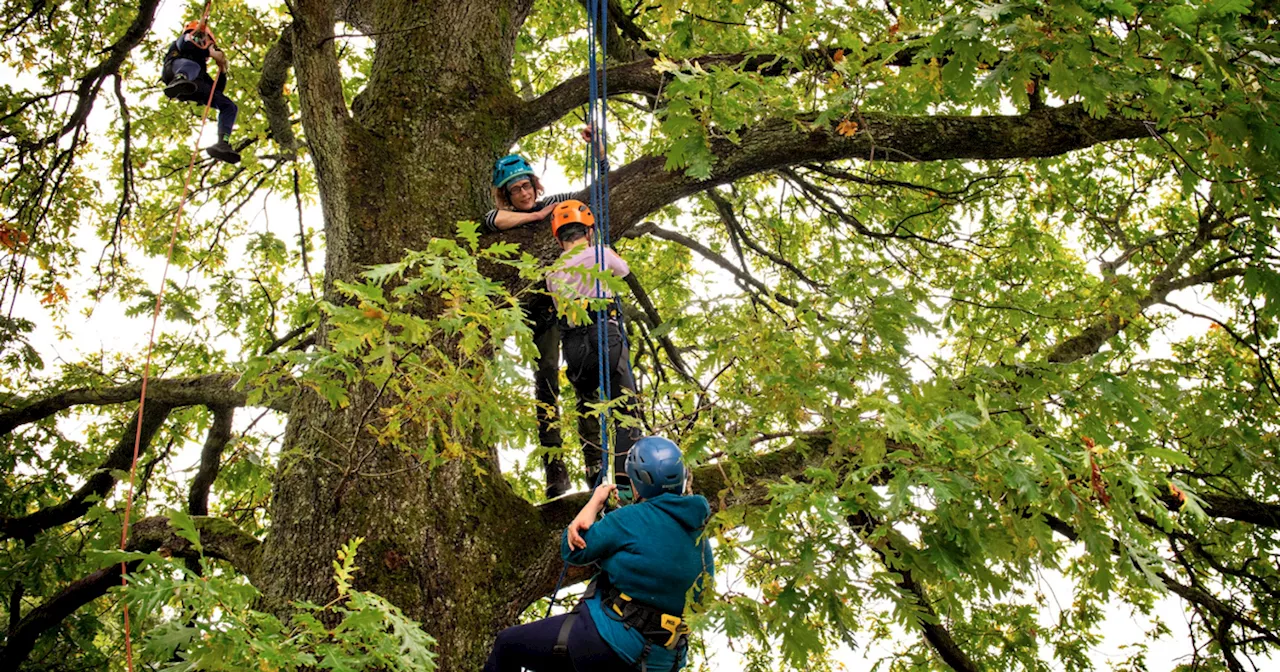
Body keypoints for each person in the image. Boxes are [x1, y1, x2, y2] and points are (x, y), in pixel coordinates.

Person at [482, 437, 714, 672]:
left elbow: (572, 550)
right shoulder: (700, 536)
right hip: (663, 661)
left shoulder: (630, 518)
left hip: (611, 643)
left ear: (638, 482)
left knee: (507, 644)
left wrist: (594, 502)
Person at [485, 154, 575, 497]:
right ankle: (556, 470)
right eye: (516, 189)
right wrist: (537, 216)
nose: (524, 193)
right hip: (521, 312)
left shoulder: (554, 202)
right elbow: (491, 219)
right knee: (546, 382)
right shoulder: (505, 216)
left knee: (580, 374)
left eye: (527, 185)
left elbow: (581, 200)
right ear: (508, 195)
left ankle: (597, 459)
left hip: (557, 307)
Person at [545, 199, 642, 497]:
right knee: (626, 406)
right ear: (588, 232)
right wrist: (602, 249)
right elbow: (623, 271)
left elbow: (559, 305)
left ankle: (594, 473)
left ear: (559, 238)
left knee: (586, 405)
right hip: (604, 334)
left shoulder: (553, 272)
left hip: (574, 346)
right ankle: (625, 481)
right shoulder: (600, 253)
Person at [161, 19, 241, 164]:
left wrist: (221, 68)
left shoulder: (200, 68)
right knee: (192, 66)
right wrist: (209, 49)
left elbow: (216, 91)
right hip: (175, 70)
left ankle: (223, 142)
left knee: (229, 106)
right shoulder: (182, 42)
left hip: (193, 84)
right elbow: (187, 44)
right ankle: (180, 79)